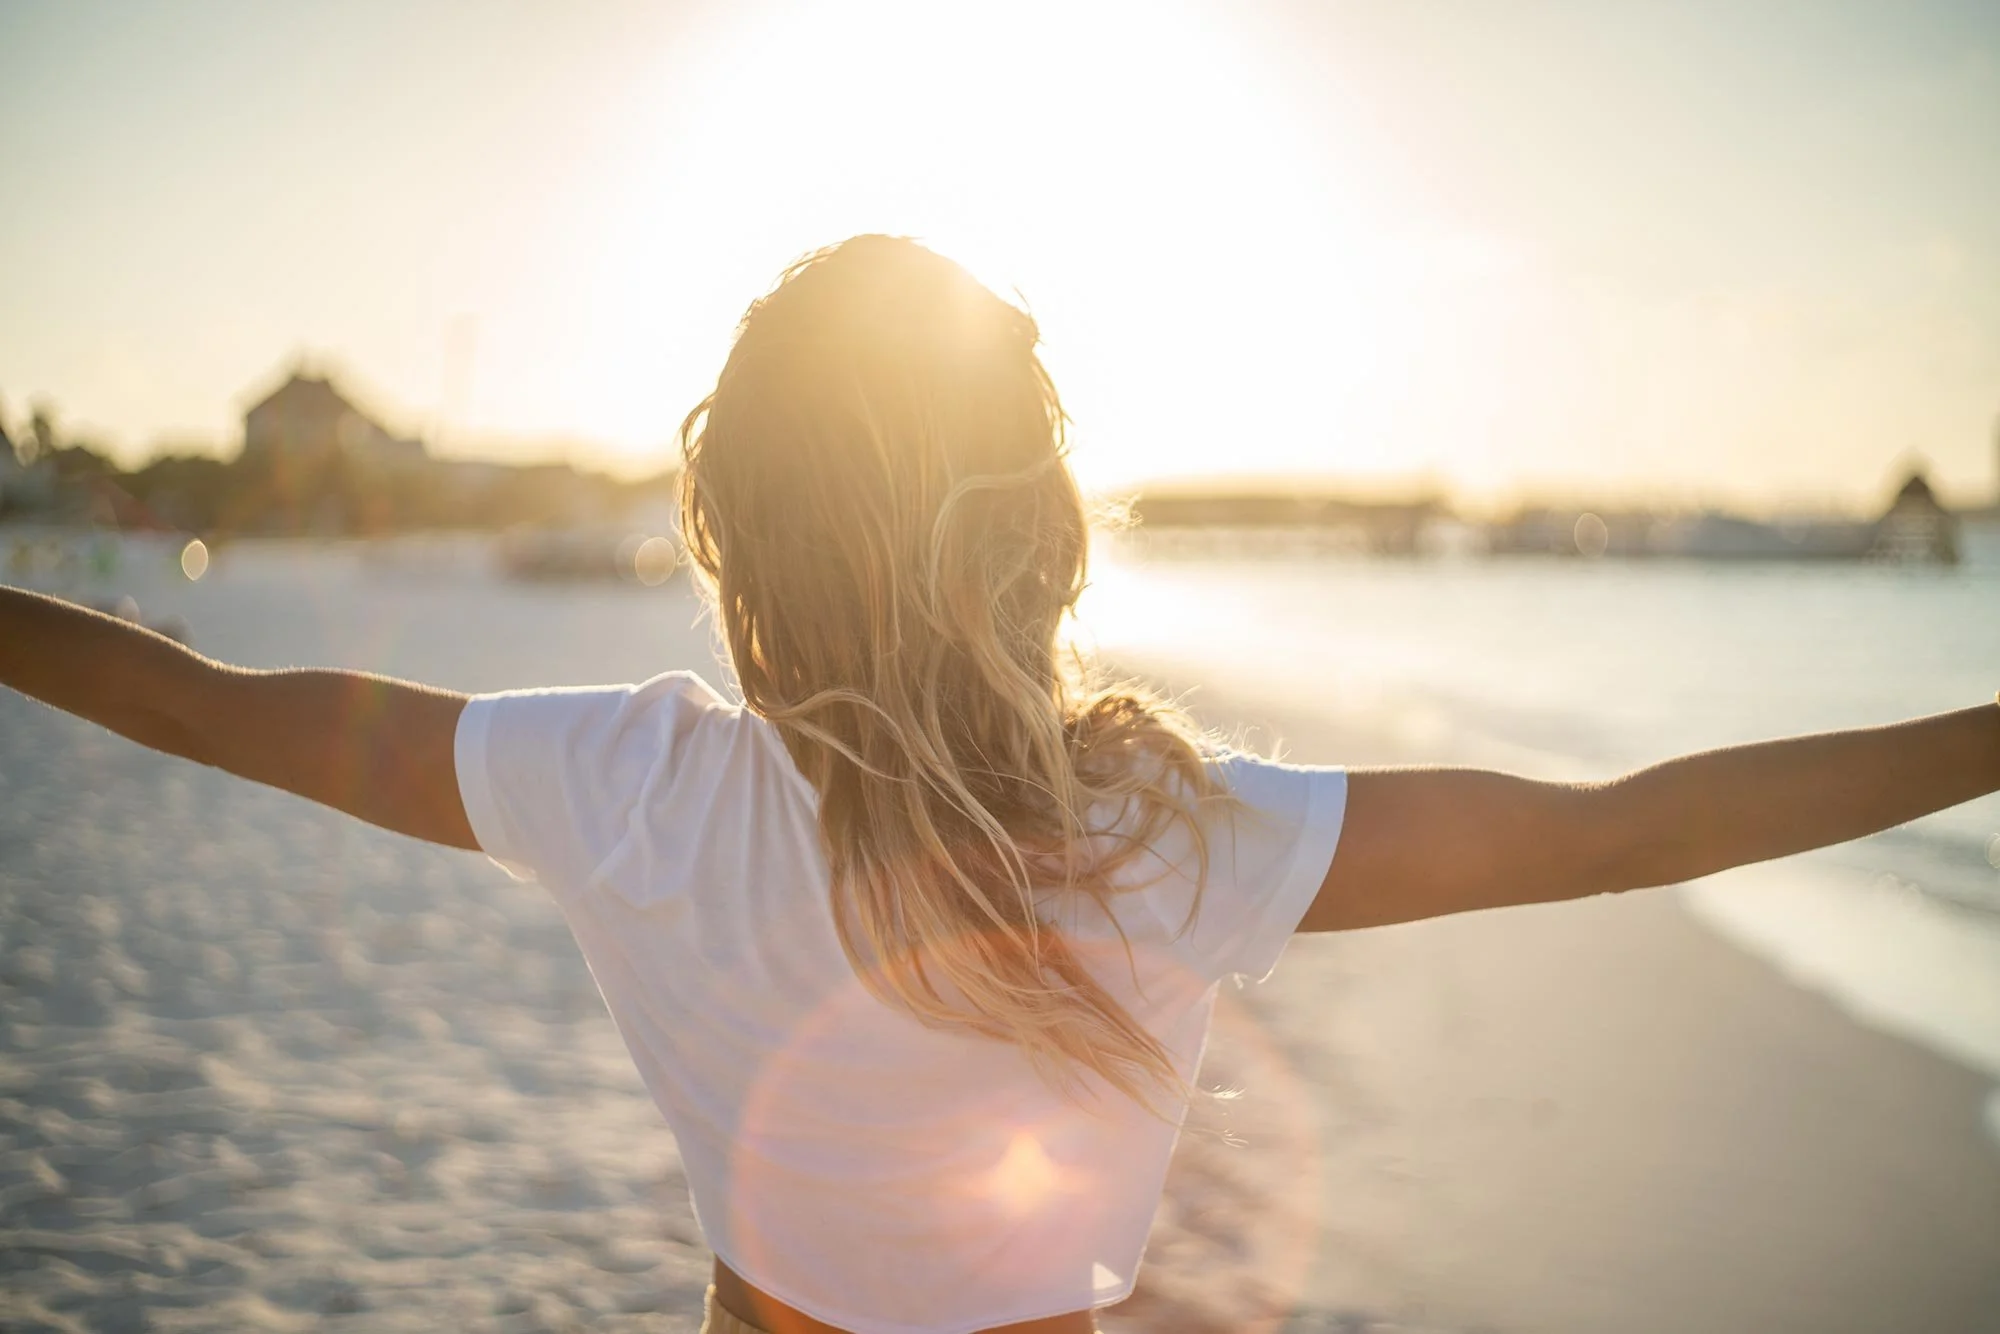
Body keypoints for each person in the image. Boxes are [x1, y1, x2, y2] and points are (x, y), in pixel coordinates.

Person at [1, 234, 1995, 1334]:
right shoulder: (1166, 835)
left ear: (738, 545)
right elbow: (1624, 828)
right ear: (1037, 527)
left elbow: (190, 695)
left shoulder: (618, 777)